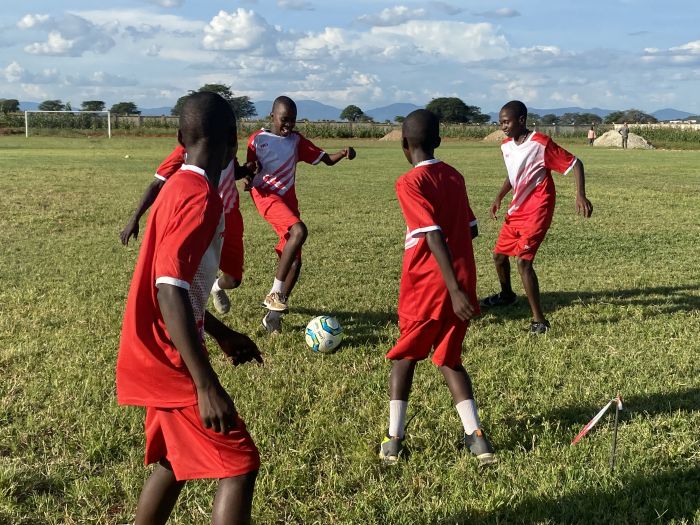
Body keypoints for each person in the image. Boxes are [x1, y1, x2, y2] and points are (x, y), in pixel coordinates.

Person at [116, 92, 263, 524]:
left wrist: (220, 332)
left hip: (153, 348)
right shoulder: (200, 196)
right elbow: (169, 291)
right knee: (239, 463)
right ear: (233, 145)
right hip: (169, 358)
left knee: (175, 462)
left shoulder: (176, 186)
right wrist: (205, 384)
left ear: (180, 138)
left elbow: (175, 286)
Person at [378, 109, 495, 466]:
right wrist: (459, 288)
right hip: (462, 280)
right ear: (439, 141)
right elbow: (471, 228)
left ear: (402, 144)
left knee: (404, 357)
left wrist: (450, 287)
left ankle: (394, 440)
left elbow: (430, 234)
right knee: (449, 358)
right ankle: (476, 438)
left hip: (427, 287)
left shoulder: (409, 183)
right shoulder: (454, 176)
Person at [480, 100, 593, 334]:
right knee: (499, 257)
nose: (503, 126)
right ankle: (507, 295)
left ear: (521, 120)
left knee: (523, 261)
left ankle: (539, 321)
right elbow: (514, 175)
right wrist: (499, 197)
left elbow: (575, 163)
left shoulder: (540, 143)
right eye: (500, 122)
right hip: (517, 210)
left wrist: (580, 194)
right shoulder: (506, 146)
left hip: (537, 210)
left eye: (506, 122)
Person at [246, 96, 356, 334]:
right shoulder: (258, 139)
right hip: (265, 196)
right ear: (272, 117)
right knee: (299, 230)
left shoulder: (296, 141)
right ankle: (275, 292)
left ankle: (273, 317)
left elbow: (325, 159)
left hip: (288, 203)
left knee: (295, 260)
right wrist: (247, 177)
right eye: (284, 120)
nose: (288, 126)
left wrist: (343, 153)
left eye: (293, 121)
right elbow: (248, 168)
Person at [120, 143, 258, 315]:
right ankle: (189, 320)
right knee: (183, 281)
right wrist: (134, 218)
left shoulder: (227, 145)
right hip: (198, 220)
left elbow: (231, 172)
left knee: (233, 280)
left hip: (229, 219)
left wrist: (246, 170)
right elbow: (157, 184)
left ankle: (215, 287)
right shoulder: (188, 149)